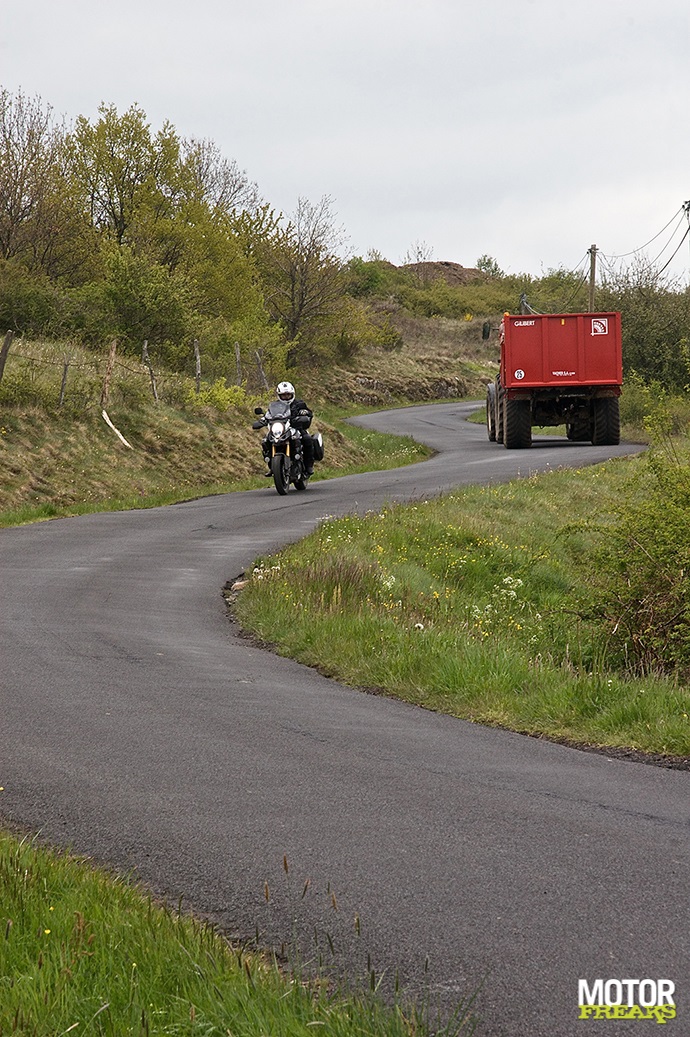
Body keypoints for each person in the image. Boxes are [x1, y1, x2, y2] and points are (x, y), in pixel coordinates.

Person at [269, 380, 315, 475]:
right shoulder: (275, 405)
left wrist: (304, 413)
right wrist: (263, 419)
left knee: (307, 439)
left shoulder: (299, 404)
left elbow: (309, 412)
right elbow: (269, 414)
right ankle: (272, 465)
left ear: (292, 394)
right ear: (279, 395)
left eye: (288, 395)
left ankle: (308, 465)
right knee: (266, 441)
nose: (286, 397)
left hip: (297, 427)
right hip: (281, 429)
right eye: (283, 395)